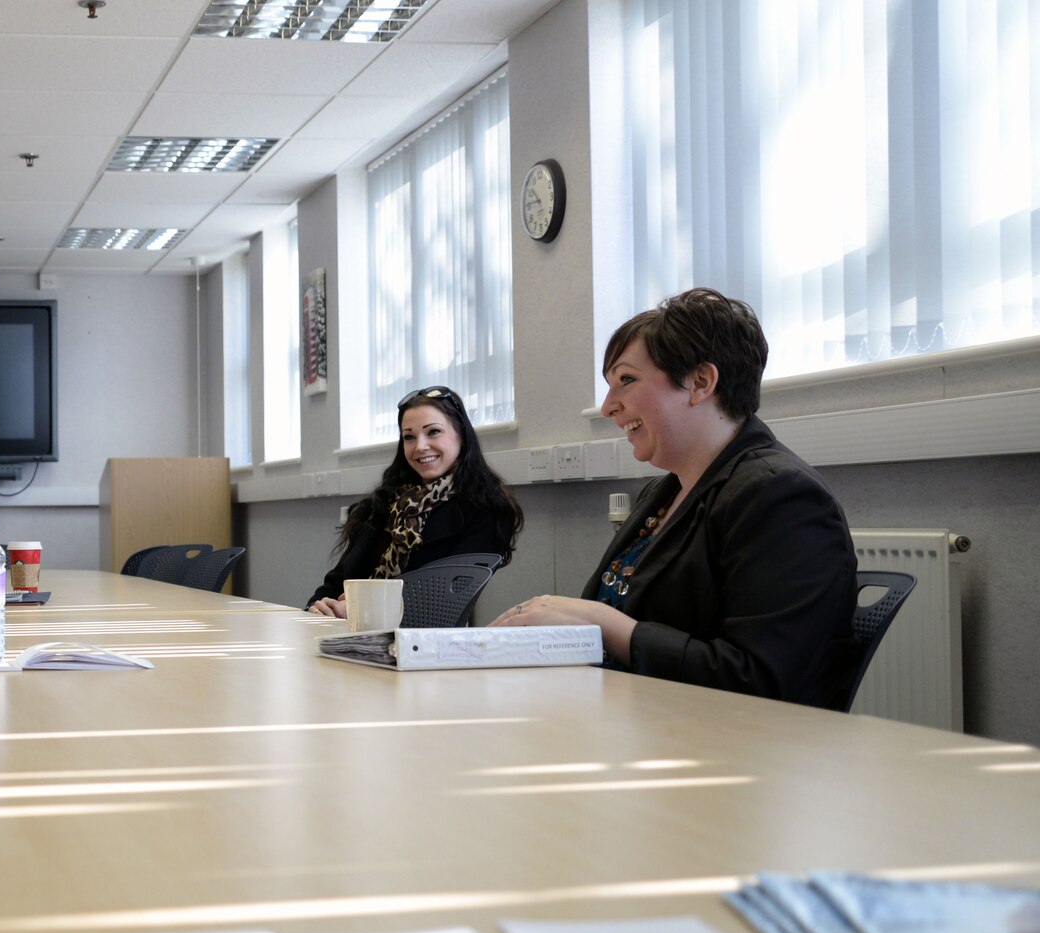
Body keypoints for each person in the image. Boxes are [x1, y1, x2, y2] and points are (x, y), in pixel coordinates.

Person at [491, 288, 859, 709]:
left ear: (700, 382)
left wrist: (606, 624)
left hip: (726, 750)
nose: (610, 406)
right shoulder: (664, 491)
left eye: (626, 380)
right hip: (634, 720)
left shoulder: (782, 496)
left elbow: (759, 680)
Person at [307, 387, 523, 617]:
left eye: (433, 432)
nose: (420, 446)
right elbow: (336, 582)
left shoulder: (486, 507)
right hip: (346, 634)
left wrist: (362, 609)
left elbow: (446, 599)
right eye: (409, 437)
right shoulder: (381, 504)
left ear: (461, 434)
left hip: (425, 643)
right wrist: (318, 607)